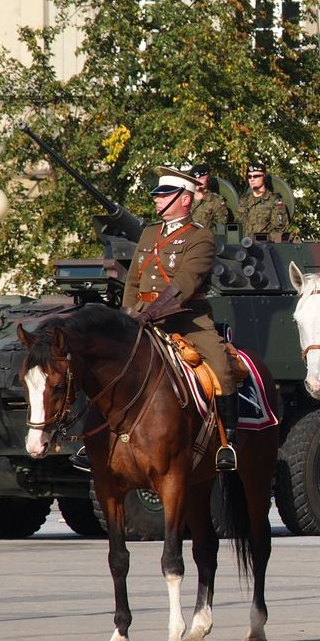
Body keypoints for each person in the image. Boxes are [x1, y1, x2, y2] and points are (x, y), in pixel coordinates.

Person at [72, 167, 238, 472]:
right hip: (140, 319)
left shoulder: (201, 237)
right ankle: (93, 440)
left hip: (187, 320)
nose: (157, 200)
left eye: (164, 195)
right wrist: (126, 317)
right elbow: (134, 279)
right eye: (157, 195)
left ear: (184, 200)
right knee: (101, 366)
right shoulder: (150, 233)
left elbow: (184, 285)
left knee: (222, 367)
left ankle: (227, 443)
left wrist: (147, 315)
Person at [235, 166, 290, 240]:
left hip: (264, 247)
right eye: (249, 176)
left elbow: (280, 230)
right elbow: (236, 225)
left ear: (264, 177)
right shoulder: (244, 200)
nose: (252, 179)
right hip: (243, 246)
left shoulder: (275, 201)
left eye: (256, 176)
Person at [189, 166, 232, 231]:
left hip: (206, 239)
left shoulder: (216, 201)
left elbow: (221, 228)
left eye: (201, 178)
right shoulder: (186, 199)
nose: (197, 180)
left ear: (208, 178)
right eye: (194, 178)